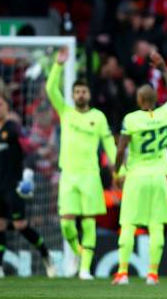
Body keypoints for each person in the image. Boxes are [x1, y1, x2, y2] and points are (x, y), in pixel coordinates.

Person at [46, 47, 117, 280]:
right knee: (67, 225)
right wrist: (58, 65)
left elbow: (109, 144)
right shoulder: (66, 112)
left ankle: (85, 269)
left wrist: (118, 168)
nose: (80, 95)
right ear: (73, 94)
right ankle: (78, 252)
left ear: (89, 94)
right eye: (76, 91)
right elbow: (50, 88)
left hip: (90, 176)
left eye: (83, 91)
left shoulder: (98, 117)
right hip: (68, 175)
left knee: (88, 224)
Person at [111, 51, 167, 285]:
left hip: (137, 176)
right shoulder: (165, 114)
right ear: (154, 100)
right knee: (156, 225)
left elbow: (121, 150)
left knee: (129, 223)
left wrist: (115, 172)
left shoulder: (131, 120)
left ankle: (122, 273)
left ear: (139, 101)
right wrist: (163, 68)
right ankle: (152, 273)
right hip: (160, 177)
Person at [0, 96, 56, 278]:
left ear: (7, 107)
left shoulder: (14, 128)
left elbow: (29, 150)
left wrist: (27, 172)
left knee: (20, 225)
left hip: (14, 186)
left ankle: (45, 254)